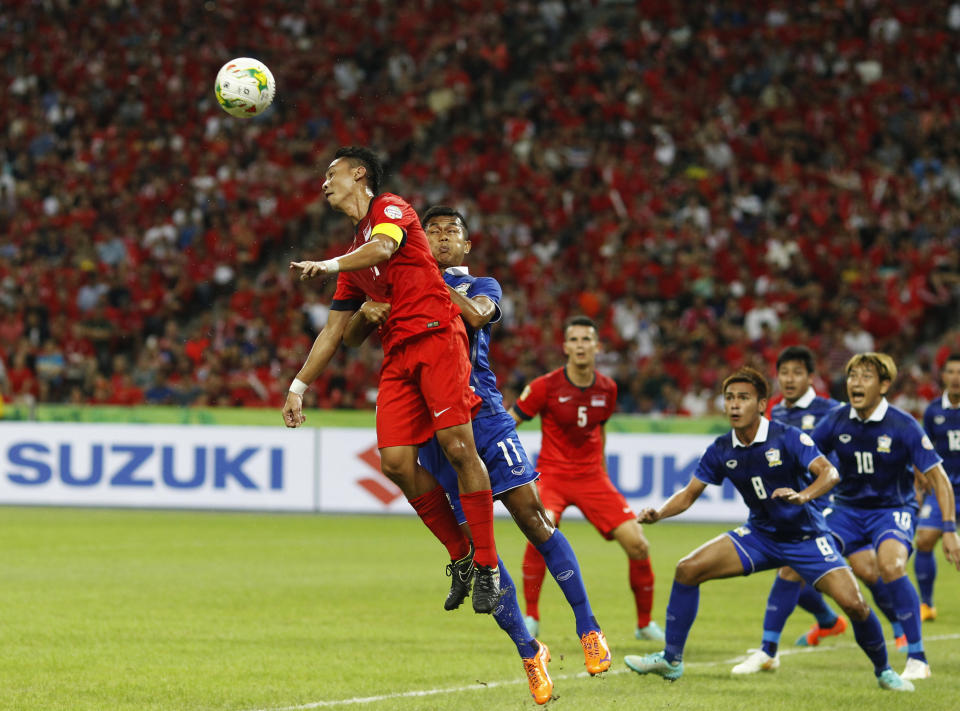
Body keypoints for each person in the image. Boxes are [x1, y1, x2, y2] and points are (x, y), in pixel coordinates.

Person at [343, 206, 611, 703]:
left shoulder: (482, 284)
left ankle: (589, 627)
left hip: (482, 416)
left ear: (466, 246)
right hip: (432, 426)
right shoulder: (395, 285)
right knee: (477, 544)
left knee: (534, 519)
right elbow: (354, 337)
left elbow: (474, 315)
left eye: (452, 233)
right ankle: (529, 651)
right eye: (434, 232)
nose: (442, 239)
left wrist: (423, 278)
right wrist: (368, 311)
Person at [283, 147, 501, 613]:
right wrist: (297, 387)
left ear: (358, 174)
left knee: (459, 447)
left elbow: (383, 248)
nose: (324, 182)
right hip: (398, 357)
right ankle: (461, 555)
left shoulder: (391, 208)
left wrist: (329, 265)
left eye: (331, 172)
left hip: (437, 337)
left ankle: (488, 566)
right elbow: (334, 333)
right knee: (396, 463)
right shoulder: (352, 260)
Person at [624, 367, 915, 692]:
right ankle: (671, 659)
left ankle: (885, 671)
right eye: (729, 398)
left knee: (855, 605)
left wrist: (803, 496)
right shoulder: (722, 448)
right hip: (760, 536)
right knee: (687, 569)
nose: (734, 405)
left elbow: (830, 473)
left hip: (807, 539)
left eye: (743, 398)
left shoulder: (787, 436)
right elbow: (690, 493)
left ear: (761, 404)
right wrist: (659, 513)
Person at [508, 316, 664, 643]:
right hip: (552, 475)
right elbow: (509, 424)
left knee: (637, 544)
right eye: (574, 340)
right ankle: (532, 616)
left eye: (586, 340)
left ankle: (645, 624)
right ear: (565, 347)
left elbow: (599, 430)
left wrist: (602, 471)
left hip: (592, 476)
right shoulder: (543, 387)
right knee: (543, 528)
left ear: (597, 347)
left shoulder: (608, 388)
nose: (581, 346)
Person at [807, 353, 960, 681]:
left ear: (885, 385)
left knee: (891, 565)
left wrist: (949, 529)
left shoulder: (903, 424)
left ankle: (917, 657)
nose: (855, 383)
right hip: (845, 510)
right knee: (801, 563)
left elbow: (939, 479)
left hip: (892, 510)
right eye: (852, 376)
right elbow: (805, 456)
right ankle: (772, 647)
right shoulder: (836, 419)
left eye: (865, 377)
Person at [734, 346, 846, 673]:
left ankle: (768, 651)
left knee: (791, 570)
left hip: (825, 504)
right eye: (784, 373)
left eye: (797, 373)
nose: (789, 379)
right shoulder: (773, 414)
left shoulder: (832, 409)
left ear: (810, 377)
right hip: (786, 506)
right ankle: (827, 620)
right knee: (793, 570)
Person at [915, 353, 960, 622]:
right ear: (942, 376)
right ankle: (926, 604)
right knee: (924, 539)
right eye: (952, 372)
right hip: (943, 488)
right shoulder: (933, 411)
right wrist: (920, 482)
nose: (957, 377)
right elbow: (922, 449)